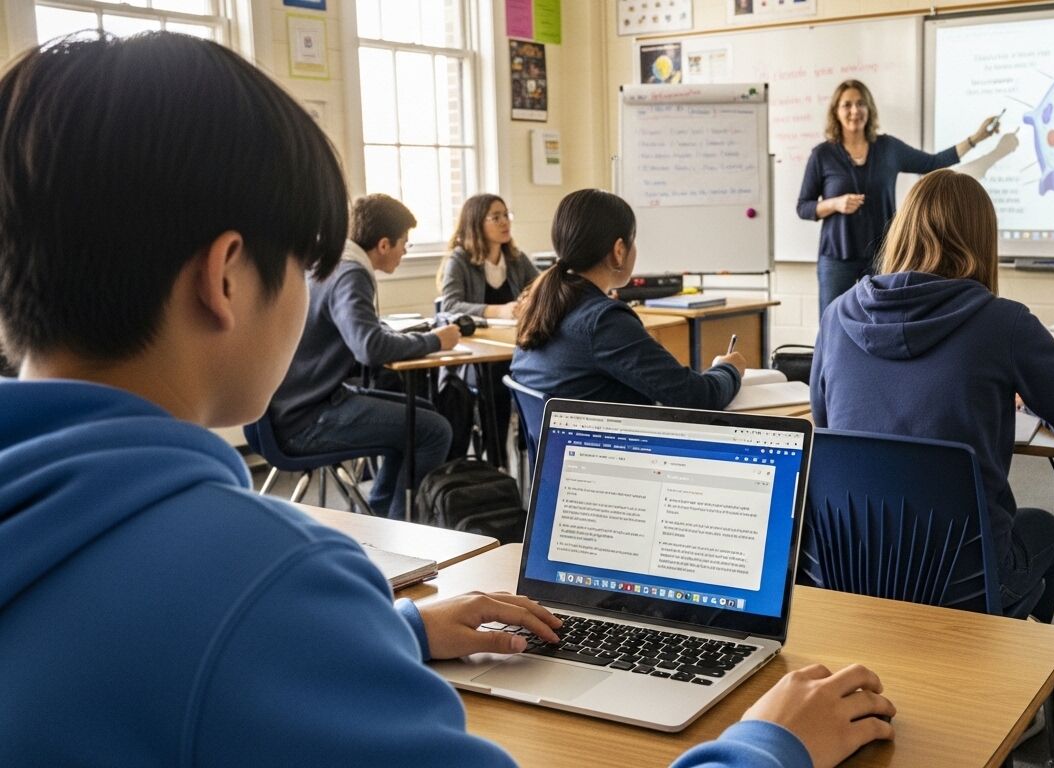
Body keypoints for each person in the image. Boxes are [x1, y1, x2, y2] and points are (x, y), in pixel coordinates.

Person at [0, 33, 894, 768]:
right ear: (226, 277)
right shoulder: (265, 585)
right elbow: (223, 639)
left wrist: (388, 633)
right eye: (305, 268)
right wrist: (768, 748)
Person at [810, 169, 1054, 624]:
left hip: (847, 574)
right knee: (1045, 531)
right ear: (982, 241)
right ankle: (1015, 679)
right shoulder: (1005, 324)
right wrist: (1034, 396)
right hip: (965, 585)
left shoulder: (836, 316)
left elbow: (827, 430)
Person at [269, 193, 457, 520]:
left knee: (421, 411)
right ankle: (404, 529)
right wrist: (434, 341)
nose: (404, 252)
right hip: (306, 418)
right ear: (383, 244)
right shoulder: (350, 273)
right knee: (434, 429)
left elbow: (361, 334)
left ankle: (384, 512)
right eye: (404, 244)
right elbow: (369, 348)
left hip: (293, 405)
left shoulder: (330, 261)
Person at [511, 189, 746, 409]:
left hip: (558, 451)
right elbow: (697, 397)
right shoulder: (604, 322)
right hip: (608, 451)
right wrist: (728, 369)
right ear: (619, 250)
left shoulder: (540, 306)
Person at [798, 79, 1001, 313]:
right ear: (836, 111)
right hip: (836, 256)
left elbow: (933, 163)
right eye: (847, 105)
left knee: (883, 319)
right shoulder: (822, 154)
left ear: (869, 109)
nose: (855, 111)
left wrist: (975, 138)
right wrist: (834, 204)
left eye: (860, 103)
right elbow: (803, 206)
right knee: (832, 322)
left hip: (882, 254)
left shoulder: (888, 148)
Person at [438, 193, 540, 462]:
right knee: (495, 384)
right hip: (475, 359)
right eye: (496, 217)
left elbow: (542, 290)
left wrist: (527, 303)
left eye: (506, 215)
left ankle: (530, 459)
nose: (504, 222)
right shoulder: (459, 259)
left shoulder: (516, 258)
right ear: (476, 223)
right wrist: (498, 311)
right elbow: (449, 306)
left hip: (515, 349)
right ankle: (498, 464)